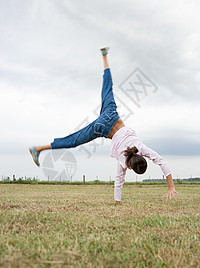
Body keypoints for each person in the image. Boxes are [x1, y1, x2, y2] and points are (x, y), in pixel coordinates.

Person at [29, 47, 178, 204]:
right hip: (102, 128)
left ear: (141, 156)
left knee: (108, 86)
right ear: (132, 167)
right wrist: (118, 204)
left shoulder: (139, 146)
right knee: (73, 140)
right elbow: (119, 181)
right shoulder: (123, 160)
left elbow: (162, 161)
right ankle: (38, 149)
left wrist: (171, 186)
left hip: (110, 114)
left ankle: (105, 56)